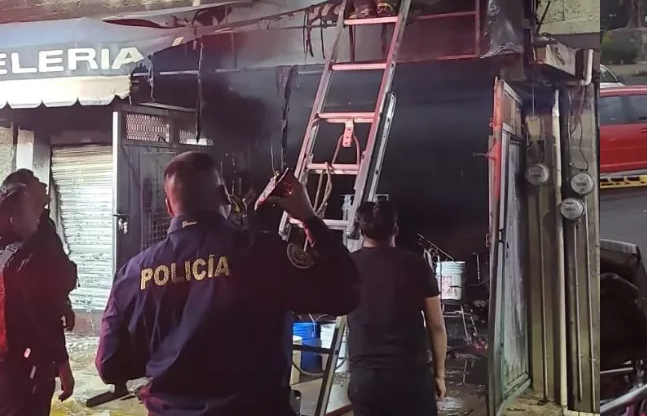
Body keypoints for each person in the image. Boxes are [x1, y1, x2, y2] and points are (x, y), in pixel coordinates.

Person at [95, 152, 362, 416]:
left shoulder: (132, 274)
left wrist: (166, 360)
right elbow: (344, 292)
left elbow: (110, 366)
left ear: (168, 206)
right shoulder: (266, 253)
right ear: (225, 196)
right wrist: (309, 219)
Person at [346, 198, 447, 416]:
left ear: (360, 231)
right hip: (411, 377)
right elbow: (436, 326)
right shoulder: (416, 264)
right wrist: (439, 375)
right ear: (396, 229)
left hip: (366, 379)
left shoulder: (348, 265)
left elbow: (339, 314)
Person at [0, 181, 77, 416]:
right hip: (24, 371)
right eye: (31, 209)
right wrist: (63, 365)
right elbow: (44, 319)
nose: (38, 216)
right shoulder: (29, 261)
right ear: (15, 219)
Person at [3, 169, 75, 334]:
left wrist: (64, 302)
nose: (43, 184)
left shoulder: (45, 225)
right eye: (35, 181)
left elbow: (57, 264)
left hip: (49, 313)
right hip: (32, 323)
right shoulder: (20, 232)